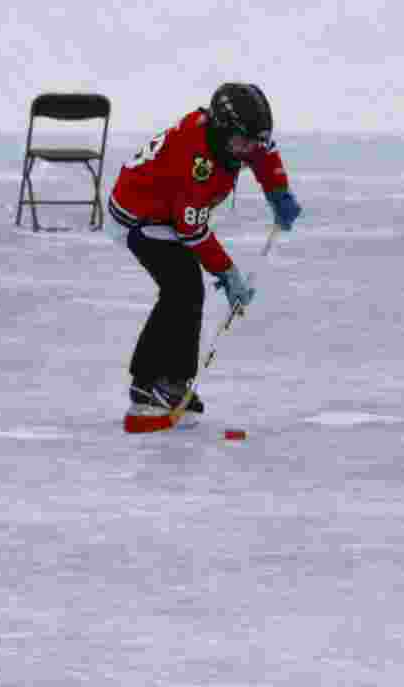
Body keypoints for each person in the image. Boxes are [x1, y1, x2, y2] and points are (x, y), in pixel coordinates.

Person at [107, 83, 302, 433]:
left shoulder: (236, 140)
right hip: (140, 215)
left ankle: (173, 380)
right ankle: (150, 382)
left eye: (253, 142)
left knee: (185, 288)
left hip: (170, 213)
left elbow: (265, 152)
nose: (250, 151)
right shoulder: (196, 162)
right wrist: (229, 273)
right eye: (244, 143)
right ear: (223, 133)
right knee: (182, 287)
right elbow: (192, 231)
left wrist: (277, 190)